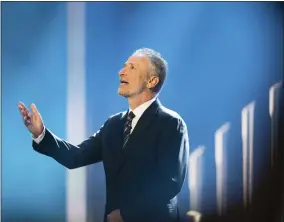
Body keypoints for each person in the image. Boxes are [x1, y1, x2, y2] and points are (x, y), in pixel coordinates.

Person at [18, 48, 189, 222]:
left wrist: (125, 214)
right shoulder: (114, 124)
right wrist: (41, 133)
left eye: (132, 68)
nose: (121, 71)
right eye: (124, 66)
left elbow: (169, 183)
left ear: (152, 81)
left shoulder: (170, 123)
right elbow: (76, 156)